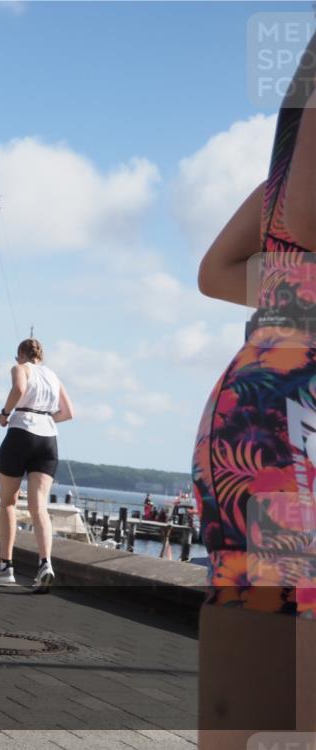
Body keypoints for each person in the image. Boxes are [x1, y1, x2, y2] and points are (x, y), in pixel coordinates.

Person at [192, 32, 315, 747]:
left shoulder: (278, 179)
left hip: (263, 401)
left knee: (257, 619)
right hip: (293, 418)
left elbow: (216, 273)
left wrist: (297, 290)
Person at [0, 338, 73, 592]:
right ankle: (45, 564)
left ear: (21, 354)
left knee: (8, 502)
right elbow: (68, 412)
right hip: (48, 439)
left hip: (21, 434)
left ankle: (5, 566)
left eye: (17, 357)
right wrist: (44, 418)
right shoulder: (53, 376)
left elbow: (19, 389)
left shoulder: (21, 368)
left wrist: (5, 414)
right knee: (38, 505)